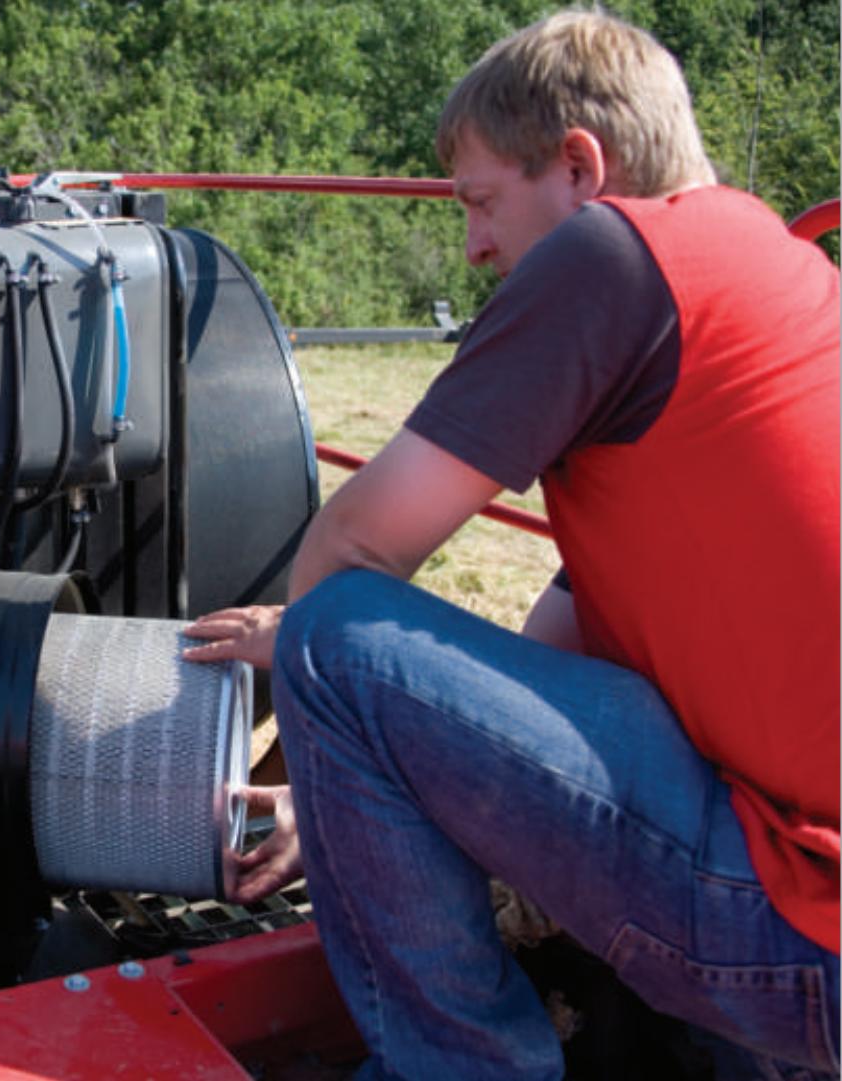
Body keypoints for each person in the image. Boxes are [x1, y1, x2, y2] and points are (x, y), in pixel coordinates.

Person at [184, 10, 839, 1079]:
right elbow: (563, 652)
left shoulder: (617, 255)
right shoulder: (764, 274)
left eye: (481, 202)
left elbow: (349, 551)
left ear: (580, 168)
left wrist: (324, 702)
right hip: (803, 908)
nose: (475, 246)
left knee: (331, 629)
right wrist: (359, 799)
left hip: (803, 926)